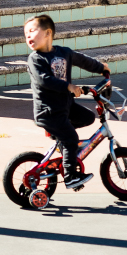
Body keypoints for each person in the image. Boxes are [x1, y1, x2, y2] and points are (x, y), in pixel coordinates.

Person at [25, 14, 110, 190]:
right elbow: (44, 80)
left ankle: (63, 143)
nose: (28, 36)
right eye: (25, 34)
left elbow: (83, 60)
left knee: (88, 117)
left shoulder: (64, 53)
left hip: (65, 107)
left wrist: (101, 68)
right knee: (71, 138)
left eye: (32, 31)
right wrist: (69, 87)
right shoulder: (35, 59)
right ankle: (71, 176)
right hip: (48, 111)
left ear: (48, 33)